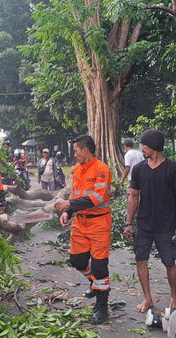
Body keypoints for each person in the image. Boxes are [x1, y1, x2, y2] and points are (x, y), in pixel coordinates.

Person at [124, 129, 176, 314]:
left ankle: (174, 295)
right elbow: (133, 196)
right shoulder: (139, 169)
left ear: (154, 146)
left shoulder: (173, 169)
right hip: (144, 225)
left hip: (166, 225)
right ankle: (147, 298)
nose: (142, 148)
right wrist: (128, 223)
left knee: (169, 262)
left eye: (144, 144)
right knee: (140, 260)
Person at [54, 134, 112, 324]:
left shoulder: (102, 170)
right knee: (77, 260)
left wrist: (68, 203)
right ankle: (94, 283)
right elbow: (76, 195)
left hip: (99, 223)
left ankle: (102, 308)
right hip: (80, 222)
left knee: (99, 266)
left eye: (76, 150)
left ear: (85, 150)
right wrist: (68, 212)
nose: (74, 154)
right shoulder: (77, 169)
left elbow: (98, 198)